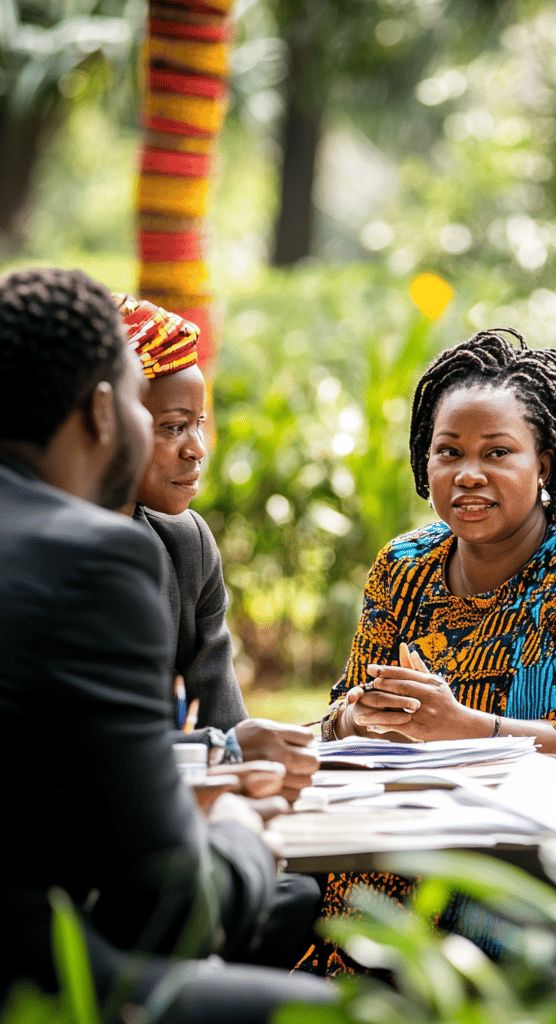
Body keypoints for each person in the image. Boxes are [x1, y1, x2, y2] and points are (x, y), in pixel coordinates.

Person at [0, 267, 335, 1019]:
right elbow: (174, 901)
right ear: (102, 412)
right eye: (146, 408)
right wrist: (242, 831)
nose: (193, 447)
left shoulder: (160, 543)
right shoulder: (91, 557)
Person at [300, 326, 556, 974]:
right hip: (393, 847)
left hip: (535, 869)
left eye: (497, 452)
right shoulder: (404, 566)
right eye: (449, 452)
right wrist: (359, 717)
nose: (468, 474)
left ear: (543, 463)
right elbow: (335, 717)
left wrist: (464, 728)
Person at [115, 294, 318, 802]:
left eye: (198, 423)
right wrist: (223, 750)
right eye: (172, 427)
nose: (197, 449)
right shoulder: (33, 556)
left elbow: (223, 718)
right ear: (106, 420)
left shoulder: (186, 547)